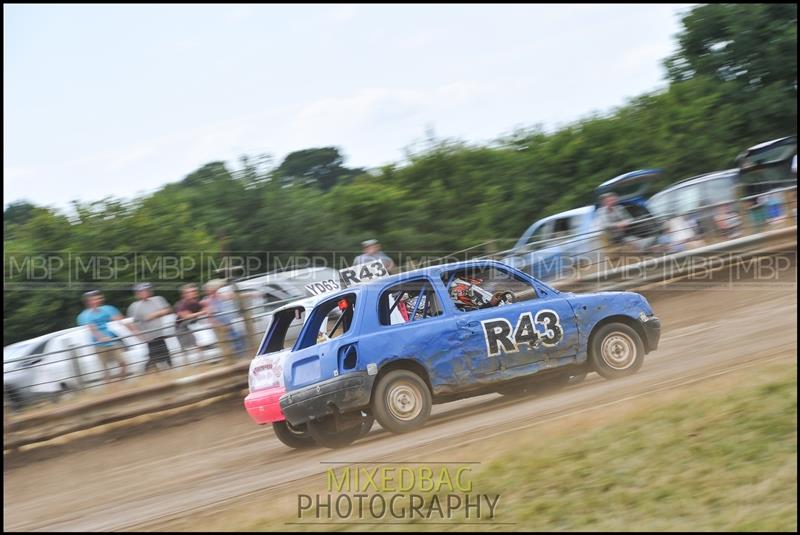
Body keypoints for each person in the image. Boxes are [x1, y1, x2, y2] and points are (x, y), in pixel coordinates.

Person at [77, 290, 130, 384]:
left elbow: (117, 318)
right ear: (89, 302)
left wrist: (125, 324)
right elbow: (92, 329)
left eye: (98, 298)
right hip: (99, 345)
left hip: (111, 342)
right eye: (95, 299)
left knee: (123, 363)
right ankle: (109, 388)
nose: (98, 300)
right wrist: (101, 337)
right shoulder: (85, 315)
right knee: (105, 370)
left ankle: (119, 383)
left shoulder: (104, 310)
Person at [127, 283, 173, 372]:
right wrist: (137, 334)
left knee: (162, 353)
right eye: (141, 291)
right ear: (137, 294)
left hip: (160, 333)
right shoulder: (134, 306)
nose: (144, 293)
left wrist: (156, 314)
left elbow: (169, 309)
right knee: (157, 355)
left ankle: (159, 371)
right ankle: (151, 371)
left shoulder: (158, 299)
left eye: (146, 290)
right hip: (148, 336)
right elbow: (130, 323)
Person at [202, 279, 246, 360]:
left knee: (240, 339)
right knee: (231, 343)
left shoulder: (221, 296)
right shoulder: (207, 301)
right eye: (208, 289)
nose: (209, 290)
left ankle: (241, 357)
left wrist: (249, 294)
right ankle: (236, 359)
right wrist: (219, 325)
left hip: (231, 323)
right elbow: (209, 316)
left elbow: (235, 296)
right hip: (222, 326)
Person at [174, 283, 206, 360]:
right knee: (187, 349)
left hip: (192, 325)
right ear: (184, 294)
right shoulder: (180, 304)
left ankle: (203, 361)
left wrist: (204, 310)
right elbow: (185, 316)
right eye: (188, 292)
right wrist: (202, 313)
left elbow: (206, 308)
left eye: (193, 291)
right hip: (181, 328)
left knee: (198, 345)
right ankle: (186, 365)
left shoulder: (197, 302)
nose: (192, 293)